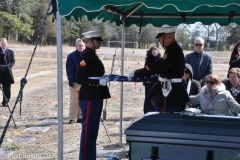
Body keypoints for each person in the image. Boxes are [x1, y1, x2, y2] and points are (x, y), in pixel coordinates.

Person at [129, 25, 189, 113]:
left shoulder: (173, 51)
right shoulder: (172, 49)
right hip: (172, 91)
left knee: (165, 121)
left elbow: (157, 67)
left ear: (167, 36)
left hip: (171, 94)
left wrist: (136, 73)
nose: (158, 40)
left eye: (160, 37)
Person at [76, 30, 111, 160]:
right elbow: (80, 79)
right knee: (88, 132)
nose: (100, 42)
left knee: (93, 131)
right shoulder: (86, 56)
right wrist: (98, 82)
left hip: (96, 96)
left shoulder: (92, 55)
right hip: (90, 96)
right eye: (98, 40)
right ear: (90, 42)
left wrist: (102, 79)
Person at [66, 38, 85, 124]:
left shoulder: (86, 55)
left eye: (82, 45)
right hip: (74, 81)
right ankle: (72, 118)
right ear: (76, 46)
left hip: (83, 82)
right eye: (79, 45)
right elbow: (69, 69)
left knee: (81, 99)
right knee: (74, 100)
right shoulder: (71, 56)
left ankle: (80, 116)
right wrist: (70, 79)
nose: (81, 47)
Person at [143, 46, 161, 114]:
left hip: (157, 82)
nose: (155, 52)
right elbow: (146, 69)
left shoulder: (160, 60)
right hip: (148, 82)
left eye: (156, 50)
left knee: (155, 97)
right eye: (153, 50)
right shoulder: (148, 59)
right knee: (148, 97)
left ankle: (154, 111)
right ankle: (146, 111)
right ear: (151, 51)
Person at [0, 38, 15, 107]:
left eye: (5, 43)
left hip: (7, 73)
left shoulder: (11, 52)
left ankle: (5, 102)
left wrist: (6, 67)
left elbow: (12, 61)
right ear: (0, 43)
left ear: (7, 43)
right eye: (2, 43)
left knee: (7, 89)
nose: (4, 44)